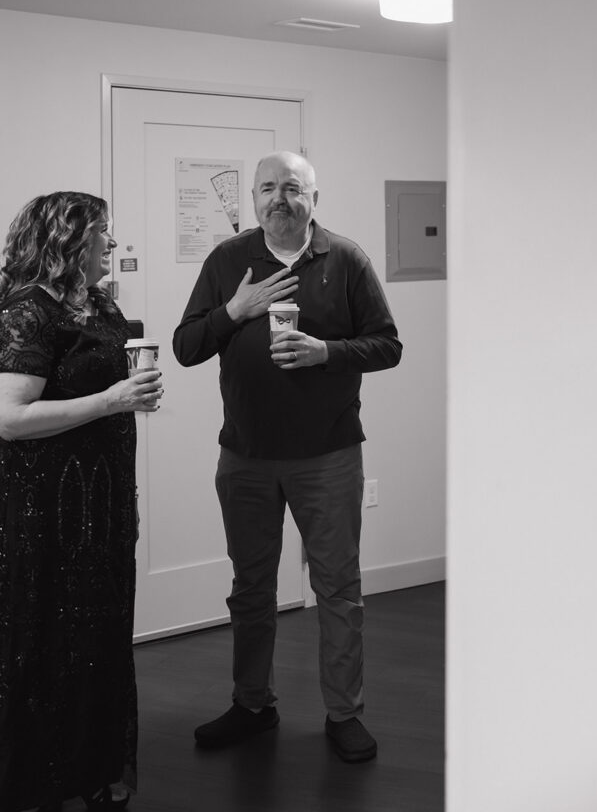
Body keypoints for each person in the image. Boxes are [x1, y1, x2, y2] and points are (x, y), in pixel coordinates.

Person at [172, 151, 402, 763]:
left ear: (313, 200)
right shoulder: (227, 261)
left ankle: (343, 714)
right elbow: (186, 346)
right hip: (245, 456)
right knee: (251, 588)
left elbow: (388, 345)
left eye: (293, 189)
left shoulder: (345, 258)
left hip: (327, 455)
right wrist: (234, 311)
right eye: (268, 188)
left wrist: (326, 352)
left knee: (338, 590)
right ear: (253, 199)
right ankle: (252, 704)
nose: (280, 198)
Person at [0, 191, 164, 812]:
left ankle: (91, 764)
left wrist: (131, 395)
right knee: (37, 627)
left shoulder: (98, 301)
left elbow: (104, 382)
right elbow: (10, 419)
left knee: (95, 629)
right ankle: (29, 778)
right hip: (32, 500)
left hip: (95, 498)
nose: (112, 246)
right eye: (104, 235)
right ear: (70, 241)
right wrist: (110, 402)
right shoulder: (26, 309)